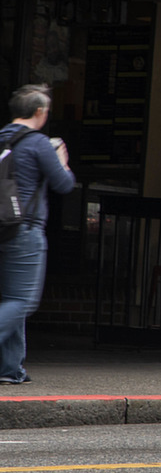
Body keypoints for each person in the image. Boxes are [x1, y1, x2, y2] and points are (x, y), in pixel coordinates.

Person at [0, 84, 75, 384]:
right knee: (22, 301)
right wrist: (62, 161)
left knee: (10, 297)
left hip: (2, 228)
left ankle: (10, 369)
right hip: (24, 229)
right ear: (40, 112)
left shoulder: (1, 137)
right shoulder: (39, 143)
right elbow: (63, 184)